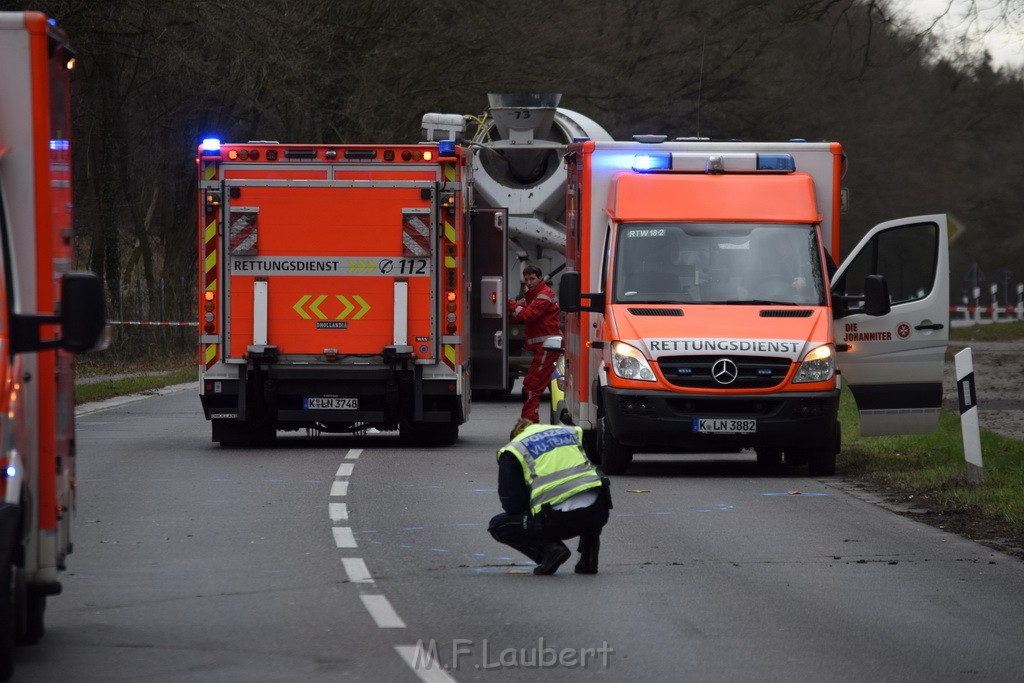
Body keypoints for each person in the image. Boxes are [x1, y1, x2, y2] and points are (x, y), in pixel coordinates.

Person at [488, 418, 612, 575]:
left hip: (558, 520)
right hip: (599, 512)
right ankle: (588, 559)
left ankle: (550, 550)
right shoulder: (571, 433)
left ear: (516, 434)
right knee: (588, 490)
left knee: (498, 525)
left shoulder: (514, 449)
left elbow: (513, 504)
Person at [508, 264, 560, 422]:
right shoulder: (533, 296)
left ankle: (529, 424)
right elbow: (519, 313)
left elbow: (528, 315)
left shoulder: (543, 295)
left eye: (532, 279)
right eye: (526, 280)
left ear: (539, 278)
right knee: (536, 387)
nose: (528, 282)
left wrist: (510, 304)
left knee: (532, 387)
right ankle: (533, 422)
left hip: (547, 347)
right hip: (545, 348)